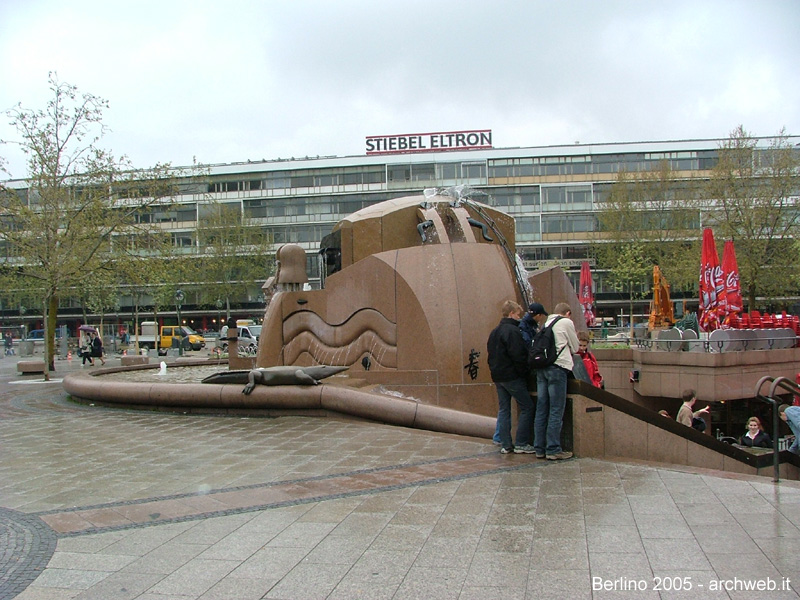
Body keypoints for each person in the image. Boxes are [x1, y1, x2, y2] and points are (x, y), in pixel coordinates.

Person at [487, 300, 536, 454]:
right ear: (511, 313)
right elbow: (518, 356)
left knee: (504, 409)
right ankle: (521, 442)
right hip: (512, 376)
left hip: (498, 377)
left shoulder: (494, 332)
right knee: (527, 407)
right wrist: (524, 372)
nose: (519, 318)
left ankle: (505, 443)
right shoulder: (513, 331)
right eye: (518, 314)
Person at [533, 302, 579, 460]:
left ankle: (539, 448)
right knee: (556, 410)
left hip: (542, 368)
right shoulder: (566, 322)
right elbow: (576, 347)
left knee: (542, 409)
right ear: (567, 313)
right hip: (557, 369)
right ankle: (553, 449)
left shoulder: (546, 323)